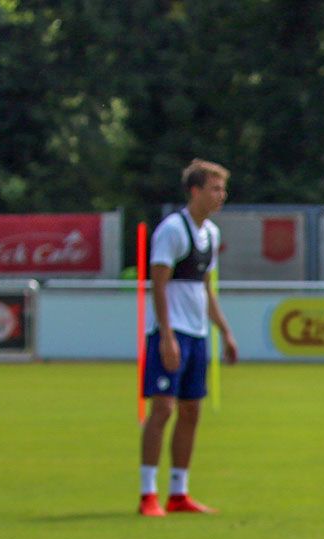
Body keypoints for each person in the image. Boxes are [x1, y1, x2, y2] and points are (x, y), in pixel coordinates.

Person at [137, 159, 238, 517]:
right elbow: (158, 285)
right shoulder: (172, 230)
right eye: (214, 188)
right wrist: (166, 336)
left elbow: (206, 290)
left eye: (222, 189)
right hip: (171, 333)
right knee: (162, 408)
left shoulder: (211, 233)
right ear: (195, 191)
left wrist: (224, 331)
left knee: (191, 411)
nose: (221, 195)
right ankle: (148, 492)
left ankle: (178, 492)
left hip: (196, 334)